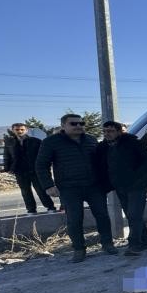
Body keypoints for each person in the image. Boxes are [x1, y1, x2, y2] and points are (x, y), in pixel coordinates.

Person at [35, 113, 115, 263]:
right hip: (69, 188)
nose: (79, 126)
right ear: (64, 126)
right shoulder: (51, 142)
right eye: (73, 124)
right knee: (74, 219)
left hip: (94, 186)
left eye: (81, 123)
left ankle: (108, 244)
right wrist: (48, 186)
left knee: (103, 216)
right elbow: (41, 165)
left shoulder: (91, 140)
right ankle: (79, 249)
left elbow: (102, 161)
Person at [96, 121, 147, 256]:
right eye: (105, 131)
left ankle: (134, 245)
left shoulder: (133, 142)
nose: (107, 134)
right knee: (132, 215)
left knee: (134, 215)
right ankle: (145, 241)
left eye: (111, 131)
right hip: (120, 186)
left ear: (119, 132)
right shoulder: (104, 147)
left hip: (138, 185)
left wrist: (136, 174)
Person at [3, 122, 56, 214]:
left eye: (22, 129)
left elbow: (43, 155)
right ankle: (31, 210)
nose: (19, 131)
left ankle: (50, 207)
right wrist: (8, 168)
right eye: (17, 129)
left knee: (40, 190)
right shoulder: (9, 142)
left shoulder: (35, 141)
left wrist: (45, 166)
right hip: (20, 171)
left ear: (26, 130)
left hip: (35, 170)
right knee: (25, 191)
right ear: (13, 130)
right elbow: (7, 155)